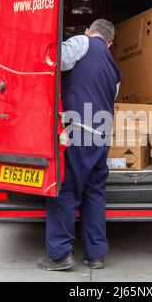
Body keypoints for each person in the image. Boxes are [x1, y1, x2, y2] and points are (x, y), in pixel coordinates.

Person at [37, 19, 121, 271]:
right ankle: (96, 255)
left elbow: (55, 60)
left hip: (78, 130)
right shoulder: (116, 70)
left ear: (88, 31)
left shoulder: (82, 42)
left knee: (66, 191)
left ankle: (60, 254)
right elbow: (110, 96)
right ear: (110, 43)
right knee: (94, 193)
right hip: (101, 135)